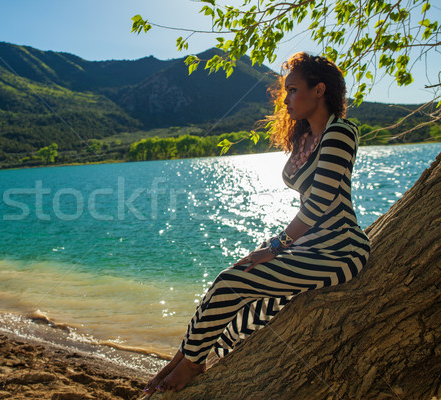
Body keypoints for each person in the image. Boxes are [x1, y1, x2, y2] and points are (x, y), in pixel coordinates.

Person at [144, 52, 371, 394]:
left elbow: (320, 203)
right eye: (286, 91)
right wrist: (273, 249)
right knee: (239, 311)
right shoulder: (303, 139)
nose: (286, 99)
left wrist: (275, 247)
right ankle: (182, 357)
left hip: (339, 251)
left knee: (231, 283)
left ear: (319, 90)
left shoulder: (340, 134)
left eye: (293, 90)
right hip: (310, 248)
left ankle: (191, 364)